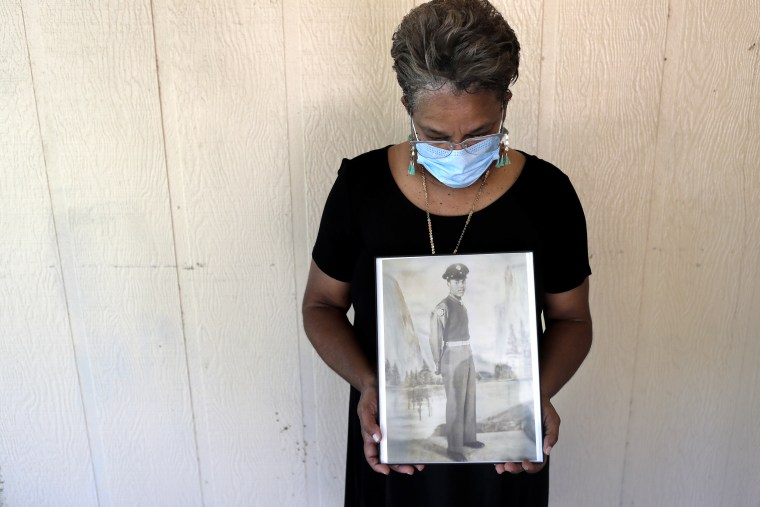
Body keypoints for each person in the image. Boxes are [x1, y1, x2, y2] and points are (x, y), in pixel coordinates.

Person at [302, 0, 592, 505]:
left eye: (479, 133)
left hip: (505, 470)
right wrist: (369, 384)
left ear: (504, 104)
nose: (457, 151)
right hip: (394, 458)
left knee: (469, 406)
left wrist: (533, 395)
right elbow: (320, 306)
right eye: (435, 136)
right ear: (407, 108)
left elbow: (572, 320)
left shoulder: (549, 195)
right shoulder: (361, 188)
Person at [429, 263, 483, 461]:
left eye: (463, 280)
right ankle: (454, 448)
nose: (461, 284)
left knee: (470, 398)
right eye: (457, 281)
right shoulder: (442, 307)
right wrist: (437, 362)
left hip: (467, 353)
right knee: (455, 402)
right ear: (448, 282)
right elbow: (435, 337)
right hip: (452, 355)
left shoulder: (461, 305)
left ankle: (468, 438)